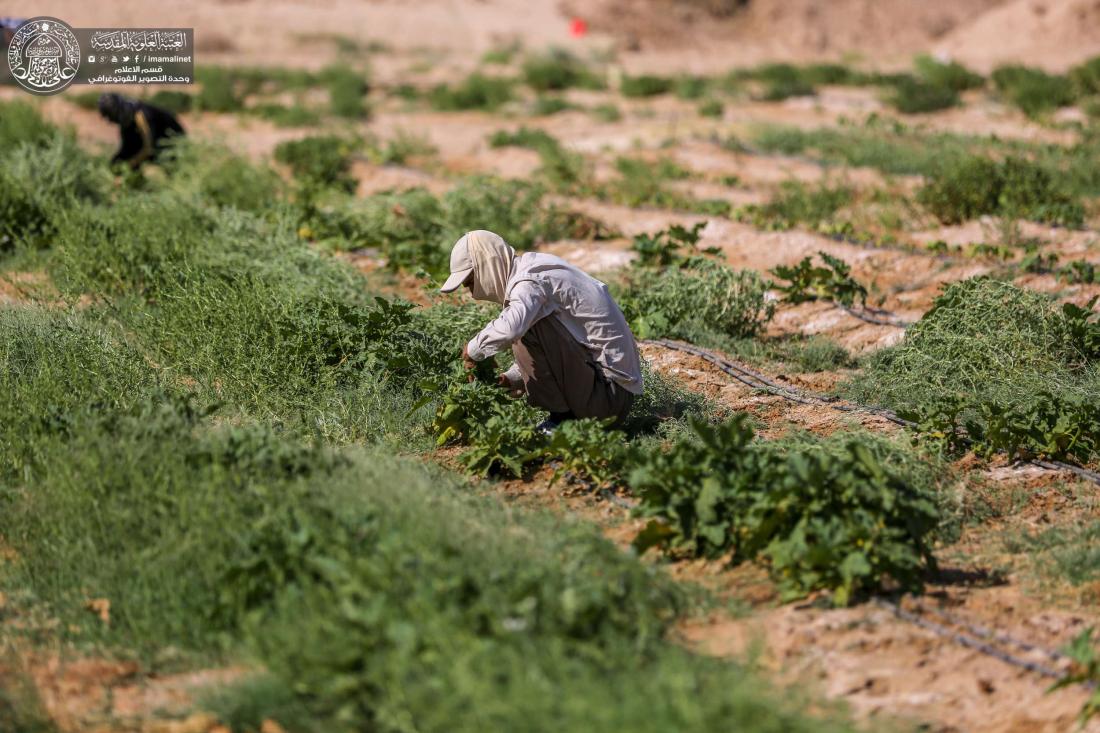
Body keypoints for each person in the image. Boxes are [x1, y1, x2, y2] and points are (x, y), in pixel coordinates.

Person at [441, 230, 642, 432]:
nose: (473, 293)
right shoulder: (532, 271)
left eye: (471, 282)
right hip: (609, 395)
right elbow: (557, 349)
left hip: (607, 397)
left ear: (486, 265)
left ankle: (561, 420)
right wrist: (511, 379)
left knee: (522, 326)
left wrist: (473, 350)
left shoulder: (527, 281)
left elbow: (512, 329)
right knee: (525, 324)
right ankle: (563, 419)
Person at [97, 93, 185, 169]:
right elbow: (127, 148)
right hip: (153, 139)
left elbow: (148, 148)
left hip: (170, 139)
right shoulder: (126, 121)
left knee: (166, 161)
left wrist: (129, 165)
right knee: (118, 161)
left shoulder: (141, 117)